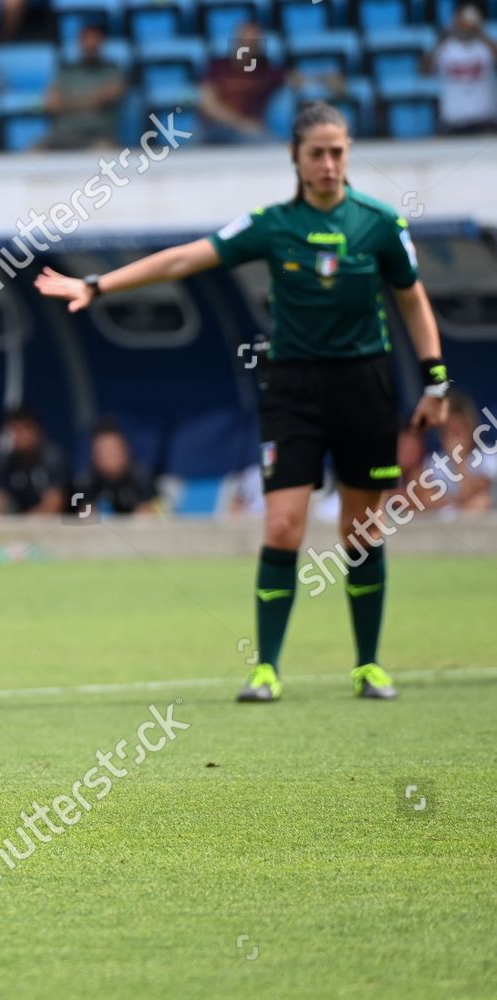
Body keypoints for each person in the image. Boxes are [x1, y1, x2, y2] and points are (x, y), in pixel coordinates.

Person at [36, 102, 451, 703]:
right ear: (296, 158)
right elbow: (185, 258)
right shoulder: (271, 224)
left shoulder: (381, 223)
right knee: (283, 526)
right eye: (317, 153)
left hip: (365, 385)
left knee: (362, 530)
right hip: (292, 389)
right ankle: (267, 668)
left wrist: (435, 381)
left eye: (338, 152)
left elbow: (412, 300)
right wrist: (98, 284)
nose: (329, 164)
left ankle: (368, 664)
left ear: (348, 154)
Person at [199, 21, 339, 145]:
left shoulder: (266, 72)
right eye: (244, 43)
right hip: (213, 129)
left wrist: (325, 79)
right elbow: (208, 105)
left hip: (247, 135)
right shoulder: (218, 67)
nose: (247, 48)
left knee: (274, 148)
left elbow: (297, 79)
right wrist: (242, 124)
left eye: (253, 44)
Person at [37, 21, 126, 151]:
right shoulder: (66, 72)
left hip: (97, 136)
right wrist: (92, 100)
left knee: (105, 156)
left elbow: (110, 95)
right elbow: (51, 104)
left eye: (95, 39)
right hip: (62, 135)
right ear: (80, 42)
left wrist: (68, 102)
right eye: (87, 39)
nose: (91, 43)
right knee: (33, 155)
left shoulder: (112, 70)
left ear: (102, 42)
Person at [404, 390, 492, 516]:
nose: (453, 439)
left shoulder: (487, 456)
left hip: (477, 522)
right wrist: (455, 503)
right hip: (445, 520)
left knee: (480, 502)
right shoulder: (432, 462)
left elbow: (478, 491)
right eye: (448, 431)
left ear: (471, 429)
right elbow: (422, 499)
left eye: (458, 431)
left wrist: (459, 461)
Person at [421, 4, 497, 135]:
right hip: (453, 122)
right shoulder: (445, 47)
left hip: (485, 120)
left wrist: (481, 33)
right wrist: (443, 35)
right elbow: (424, 70)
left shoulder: (485, 46)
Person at [0, 405, 67, 515]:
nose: (18, 435)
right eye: (13, 429)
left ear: (37, 431)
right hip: (17, 519)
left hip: (51, 525)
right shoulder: (2, 461)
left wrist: (23, 525)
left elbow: (54, 504)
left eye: (24, 429)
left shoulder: (52, 458)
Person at [66, 419, 157, 517]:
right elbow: (85, 519)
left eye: (114, 449)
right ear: (94, 456)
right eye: (104, 451)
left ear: (125, 451)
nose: (110, 456)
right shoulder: (84, 483)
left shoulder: (142, 478)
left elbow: (146, 518)